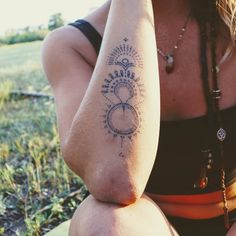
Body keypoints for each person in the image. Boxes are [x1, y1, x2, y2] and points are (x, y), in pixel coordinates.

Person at [41, 0, 236, 235]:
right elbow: (115, 180)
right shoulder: (73, 45)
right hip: (143, 223)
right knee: (105, 223)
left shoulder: (230, 25)